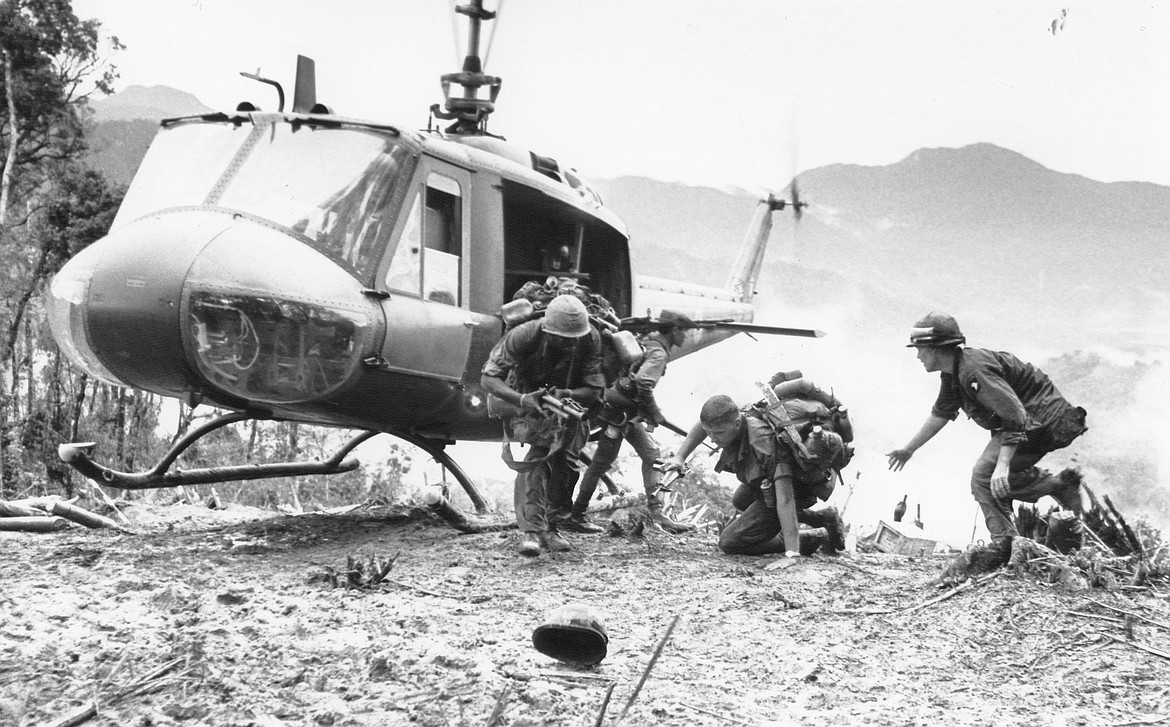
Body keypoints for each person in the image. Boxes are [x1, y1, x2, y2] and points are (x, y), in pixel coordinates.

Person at [886, 311, 1089, 564]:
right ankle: (1052, 491)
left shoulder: (973, 370)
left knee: (985, 475)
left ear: (936, 349)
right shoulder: (954, 372)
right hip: (1032, 422)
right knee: (990, 477)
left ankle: (1005, 545)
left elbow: (1016, 415)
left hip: (1042, 420)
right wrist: (909, 449)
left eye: (920, 349)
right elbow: (942, 412)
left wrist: (1002, 465)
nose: (917, 355)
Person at [665, 374, 850, 559]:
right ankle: (824, 517)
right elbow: (703, 424)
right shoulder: (739, 414)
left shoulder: (765, 446)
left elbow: (785, 500)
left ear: (737, 424)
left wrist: (792, 553)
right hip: (779, 480)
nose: (713, 439)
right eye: (710, 433)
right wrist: (680, 457)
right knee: (740, 500)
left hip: (801, 485)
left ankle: (812, 538)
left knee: (729, 542)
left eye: (719, 433)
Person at [481, 295, 605, 556]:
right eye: (563, 339)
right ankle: (532, 530)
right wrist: (523, 399)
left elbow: (594, 390)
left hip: (569, 405)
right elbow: (489, 378)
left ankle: (551, 525)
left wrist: (566, 394)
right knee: (537, 460)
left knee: (566, 466)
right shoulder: (524, 334)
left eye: (575, 340)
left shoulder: (590, 337)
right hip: (527, 397)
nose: (570, 345)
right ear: (548, 331)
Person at [565, 310, 696, 535]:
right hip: (618, 414)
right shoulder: (658, 354)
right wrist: (654, 411)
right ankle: (576, 515)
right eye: (684, 331)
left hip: (626, 412)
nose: (685, 337)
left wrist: (647, 411)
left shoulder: (650, 344)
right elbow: (643, 382)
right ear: (674, 330)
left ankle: (657, 514)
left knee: (652, 455)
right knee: (600, 464)